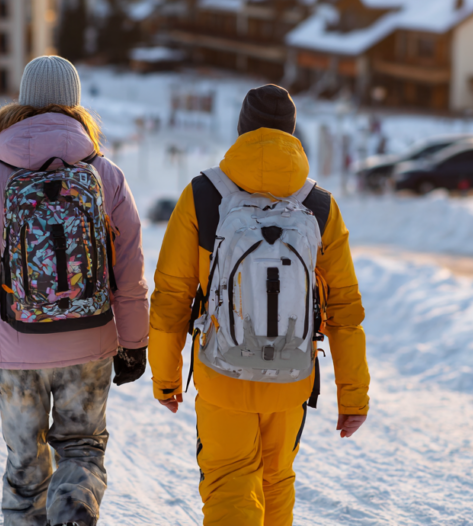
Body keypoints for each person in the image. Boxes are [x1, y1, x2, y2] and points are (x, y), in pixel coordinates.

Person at [149, 84, 370, 526]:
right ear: (292, 132)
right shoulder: (320, 206)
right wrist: (353, 395)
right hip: (291, 375)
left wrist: (166, 376)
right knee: (276, 482)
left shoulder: (203, 195)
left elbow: (172, 294)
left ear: (241, 130)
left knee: (229, 483)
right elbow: (343, 307)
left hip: (219, 373)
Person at [0, 55, 149, 526]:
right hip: (90, 340)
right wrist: (136, 343)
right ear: (75, 105)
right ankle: (73, 509)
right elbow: (130, 270)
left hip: (16, 349)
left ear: (23, 103)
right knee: (81, 449)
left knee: (24, 463)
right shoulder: (107, 175)